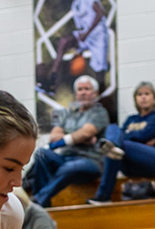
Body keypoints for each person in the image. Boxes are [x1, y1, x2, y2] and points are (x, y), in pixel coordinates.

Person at [23, 75, 109, 206]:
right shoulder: (68, 114)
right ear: (76, 94)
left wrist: (70, 136)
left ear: (95, 93)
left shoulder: (99, 112)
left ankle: (38, 200)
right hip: (65, 157)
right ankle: (42, 201)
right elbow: (54, 136)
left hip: (90, 161)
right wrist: (77, 137)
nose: (83, 92)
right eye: (80, 89)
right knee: (41, 154)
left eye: (87, 89)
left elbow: (86, 132)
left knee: (70, 167)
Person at [89, 80, 155, 204]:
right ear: (135, 99)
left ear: (154, 99)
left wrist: (127, 137)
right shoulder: (130, 119)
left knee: (120, 145)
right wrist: (135, 140)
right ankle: (111, 145)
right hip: (132, 165)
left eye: (147, 94)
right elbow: (138, 137)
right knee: (113, 130)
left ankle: (103, 195)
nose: (143, 97)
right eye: (139, 94)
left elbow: (143, 135)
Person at [64, 0, 110, 74]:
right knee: (64, 42)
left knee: (99, 72)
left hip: (97, 35)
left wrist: (86, 34)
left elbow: (100, 13)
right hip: (86, 37)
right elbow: (80, 27)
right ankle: (53, 75)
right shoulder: (74, 4)